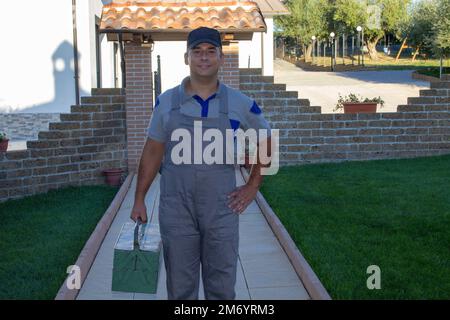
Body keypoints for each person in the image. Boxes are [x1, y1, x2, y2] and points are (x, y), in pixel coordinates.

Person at [130, 26, 272, 300]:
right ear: (187, 58)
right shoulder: (166, 103)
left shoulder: (239, 103)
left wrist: (253, 185)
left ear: (220, 58)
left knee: (221, 286)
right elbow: (152, 152)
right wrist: (139, 198)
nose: (203, 58)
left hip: (221, 210)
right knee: (180, 288)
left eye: (210, 52)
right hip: (176, 210)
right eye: (197, 52)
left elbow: (266, 138)